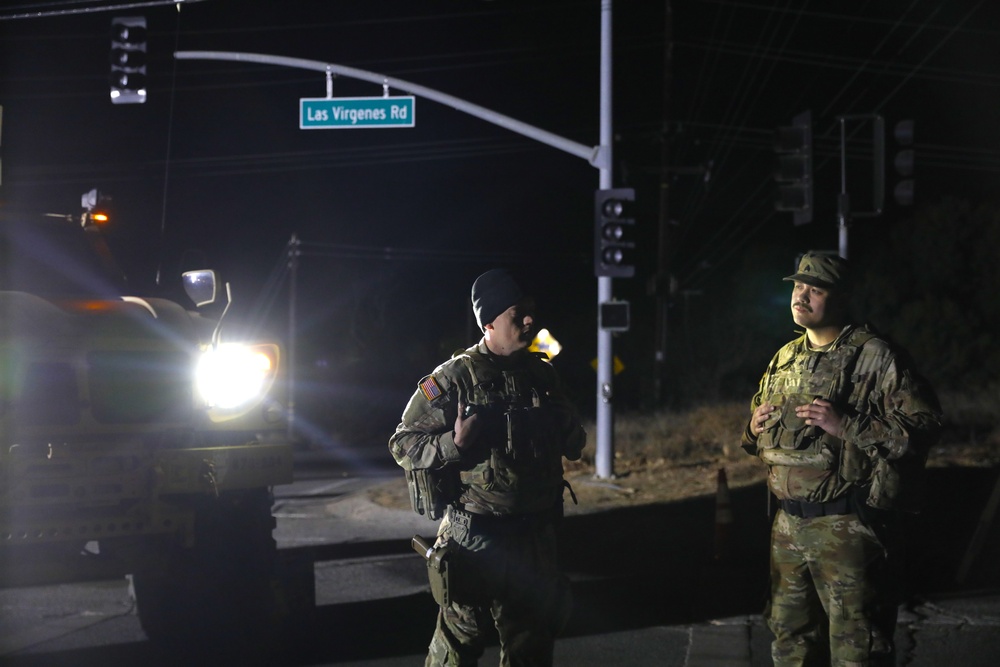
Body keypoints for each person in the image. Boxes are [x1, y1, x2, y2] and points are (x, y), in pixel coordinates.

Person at [741, 251, 942, 667]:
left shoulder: (876, 356)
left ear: (841, 297)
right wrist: (752, 428)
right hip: (788, 527)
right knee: (790, 645)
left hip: (848, 527)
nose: (802, 296)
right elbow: (761, 437)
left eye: (816, 289)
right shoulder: (785, 358)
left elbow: (923, 427)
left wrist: (848, 424)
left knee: (857, 650)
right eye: (798, 286)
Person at [389, 268, 586, 667]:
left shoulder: (542, 375)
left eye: (531, 311)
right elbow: (403, 443)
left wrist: (563, 423)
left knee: (531, 646)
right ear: (490, 323)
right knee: (459, 646)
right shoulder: (453, 379)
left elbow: (575, 445)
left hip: (534, 540)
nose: (531, 320)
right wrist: (453, 444)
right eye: (519, 314)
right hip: (475, 539)